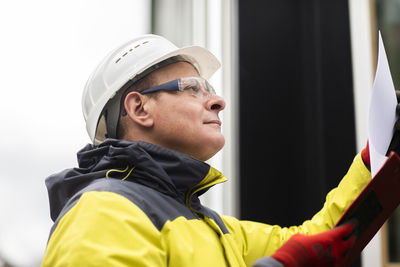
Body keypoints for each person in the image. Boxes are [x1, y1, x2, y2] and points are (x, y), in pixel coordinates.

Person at [41, 34, 389, 267]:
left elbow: (319, 239)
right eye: (192, 88)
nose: (218, 101)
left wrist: (378, 158)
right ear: (139, 109)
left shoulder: (216, 229)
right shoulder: (102, 214)